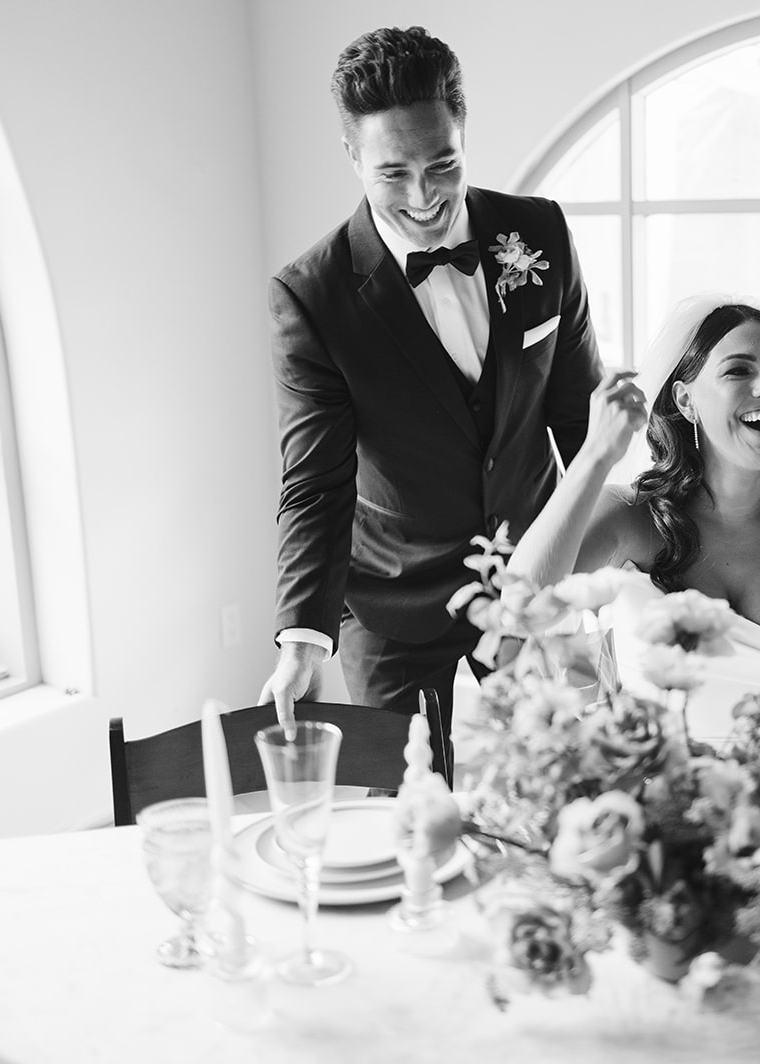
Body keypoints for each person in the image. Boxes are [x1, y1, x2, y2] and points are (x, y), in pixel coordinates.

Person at [260, 26, 605, 774]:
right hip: (393, 601)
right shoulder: (313, 296)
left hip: (527, 575)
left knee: (560, 787)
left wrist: (615, 562)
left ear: (463, 131)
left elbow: (583, 423)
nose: (423, 197)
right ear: (352, 156)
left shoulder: (537, 232)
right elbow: (315, 484)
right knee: (409, 807)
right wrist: (299, 639)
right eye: (393, 174)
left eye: (442, 163)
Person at [506, 297, 760, 742]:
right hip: (653, 797)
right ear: (686, 400)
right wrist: (596, 456)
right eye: (738, 370)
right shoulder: (630, 517)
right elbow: (522, 608)